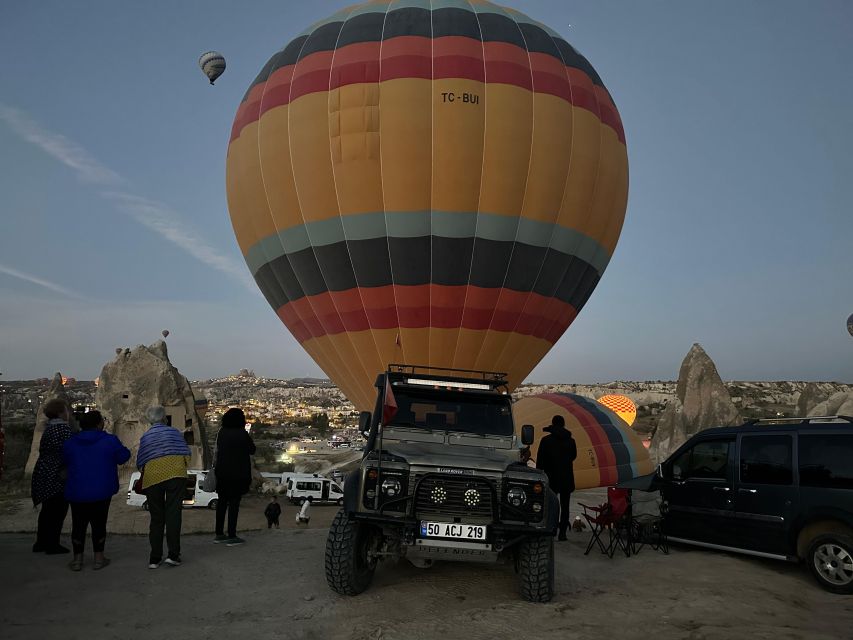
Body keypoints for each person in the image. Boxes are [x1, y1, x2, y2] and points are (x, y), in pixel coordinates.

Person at [63, 411, 130, 571]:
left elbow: (64, 460)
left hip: (77, 490)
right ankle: (98, 559)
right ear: (99, 424)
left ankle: (77, 560)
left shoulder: (71, 443)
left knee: (78, 525)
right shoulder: (109, 441)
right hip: (101, 490)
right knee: (99, 524)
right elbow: (123, 457)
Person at [137, 405, 191, 569]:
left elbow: (141, 460)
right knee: (174, 514)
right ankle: (173, 555)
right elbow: (186, 453)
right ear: (164, 419)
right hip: (176, 475)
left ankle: (154, 558)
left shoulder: (146, 437)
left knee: (156, 517)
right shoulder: (174, 432)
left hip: (153, 477)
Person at [31, 399, 74, 554]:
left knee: (47, 510)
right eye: (66, 410)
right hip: (57, 473)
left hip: (44, 471)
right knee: (58, 510)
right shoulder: (63, 429)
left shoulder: (49, 428)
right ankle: (52, 544)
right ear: (61, 413)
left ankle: (41, 542)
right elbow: (70, 451)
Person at [213, 407, 256, 546]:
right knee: (234, 505)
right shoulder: (242, 433)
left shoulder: (222, 432)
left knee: (222, 503)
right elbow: (252, 449)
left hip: (222, 473)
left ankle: (219, 534)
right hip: (238, 474)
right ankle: (232, 535)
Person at [536, 414, 577, 541]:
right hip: (566, 478)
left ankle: (550, 529)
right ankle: (562, 533)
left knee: (549, 505)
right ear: (563, 424)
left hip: (550, 478)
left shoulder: (546, 441)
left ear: (552, 424)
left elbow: (540, 462)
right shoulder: (571, 441)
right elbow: (573, 456)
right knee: (565, 507)